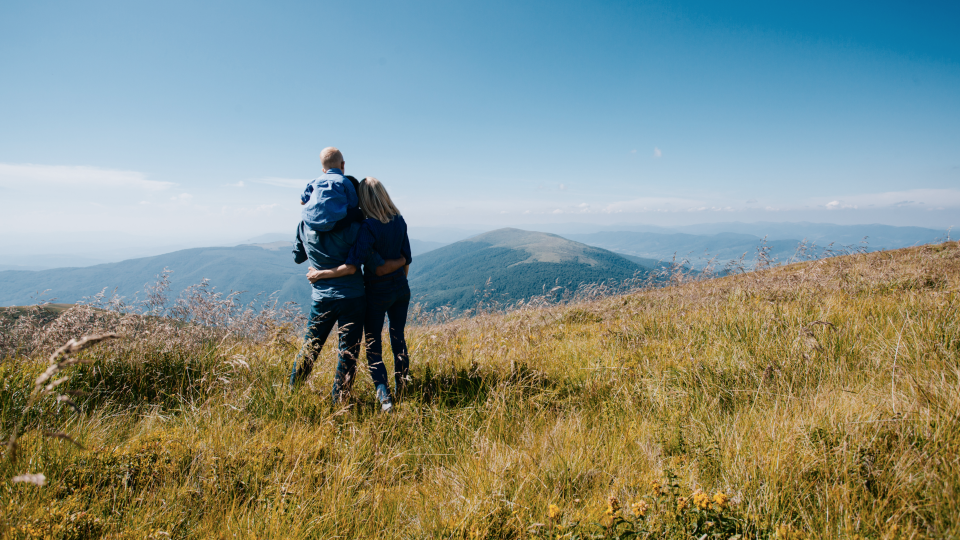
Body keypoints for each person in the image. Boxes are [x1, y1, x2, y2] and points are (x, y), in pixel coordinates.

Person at [307, 177, 413, 404]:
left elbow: (370, 266)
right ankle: (403, 388)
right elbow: (406, 259)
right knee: (398, 339)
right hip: (401, 289)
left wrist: (320, 274)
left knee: (373, 345)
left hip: (376, 293)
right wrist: (399, 279)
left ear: (363, 199)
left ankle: (385, 399)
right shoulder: (399, 221)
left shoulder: (367, 227)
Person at [300, 147, 359, 232]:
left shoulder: (314, 182)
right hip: (334, 224)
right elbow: (354, 203)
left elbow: (302, 201)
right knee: (358, 213)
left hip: (310, 222)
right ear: (343, 164)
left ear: (323, 170)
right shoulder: (345, 181)